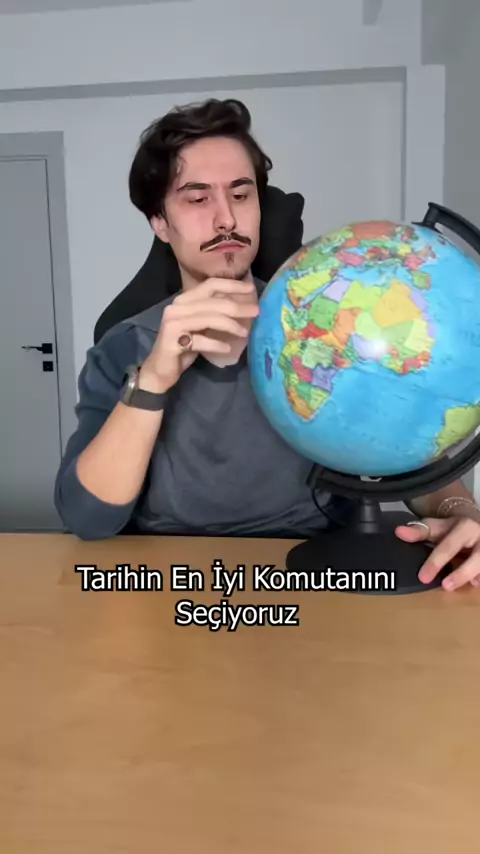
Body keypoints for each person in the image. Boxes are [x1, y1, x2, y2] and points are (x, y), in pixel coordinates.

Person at [54, 97, 480, 591]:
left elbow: (409, 447)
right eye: (197, 199)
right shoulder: (124, 347)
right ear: (160, 223)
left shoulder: (328, 322)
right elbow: (87, 518)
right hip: (170, 581)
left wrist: (463, 512)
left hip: (319, 573)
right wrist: (153, 379)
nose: (226, 220)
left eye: (241, 194)